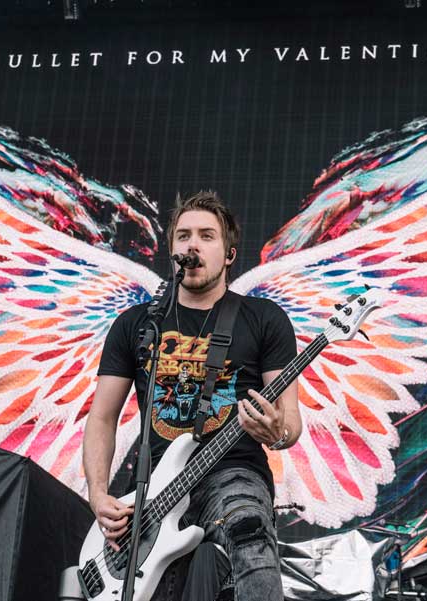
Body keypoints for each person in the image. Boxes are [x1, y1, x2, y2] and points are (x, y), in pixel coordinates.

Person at [82, 190, 302, 601]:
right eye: (183, 236)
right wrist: (98, 495)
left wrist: (277, 432)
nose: (192, 245)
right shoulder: (137, 323)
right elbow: (102, 417)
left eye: (206, 236)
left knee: (249, 532)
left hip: (233, 471)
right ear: (172, 251)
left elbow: (290, 422)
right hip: (154, 488)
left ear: (230, 254)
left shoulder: (263, 319)